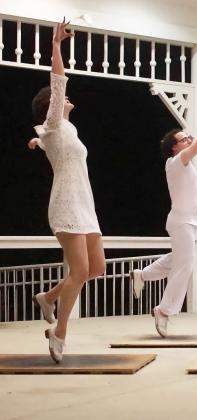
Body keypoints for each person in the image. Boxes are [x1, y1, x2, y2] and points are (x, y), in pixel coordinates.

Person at [29, 18, 106, 363]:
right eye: (60, 101)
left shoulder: (64, 131)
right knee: (78, 272)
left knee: (96, 268)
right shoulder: (54, 123)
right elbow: (58, 83)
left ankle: (48, 297)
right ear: (52, 107)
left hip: (83, 204)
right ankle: (59, 333)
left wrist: (37, 141)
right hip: (65, 204)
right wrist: (57, 46)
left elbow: (48, 144)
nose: (66, 99)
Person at [129, 104, 197, 337]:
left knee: (180, 258)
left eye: (187, 137)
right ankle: (164, 310)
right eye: (183, 139)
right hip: (182, 222)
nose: (188, 140)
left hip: (185, 222)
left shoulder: (182, 163)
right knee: (185, 264)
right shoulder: (176, 161)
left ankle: (143, 275)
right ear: (174, 148)